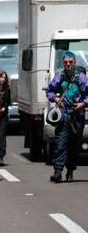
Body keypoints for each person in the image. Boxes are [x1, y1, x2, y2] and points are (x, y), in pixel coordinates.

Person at [46, 51, 88, 183]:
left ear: (74, 62)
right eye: (65, 62)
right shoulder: (59, 76)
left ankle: (70, 170)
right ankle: (57, 172)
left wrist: (83, 104)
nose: (68, 64)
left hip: (77, 115)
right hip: (64, 115)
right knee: (60, 144)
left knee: (74, 145)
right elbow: (49, 91)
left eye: (70, 62)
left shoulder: (81, 78)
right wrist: (56, 98)